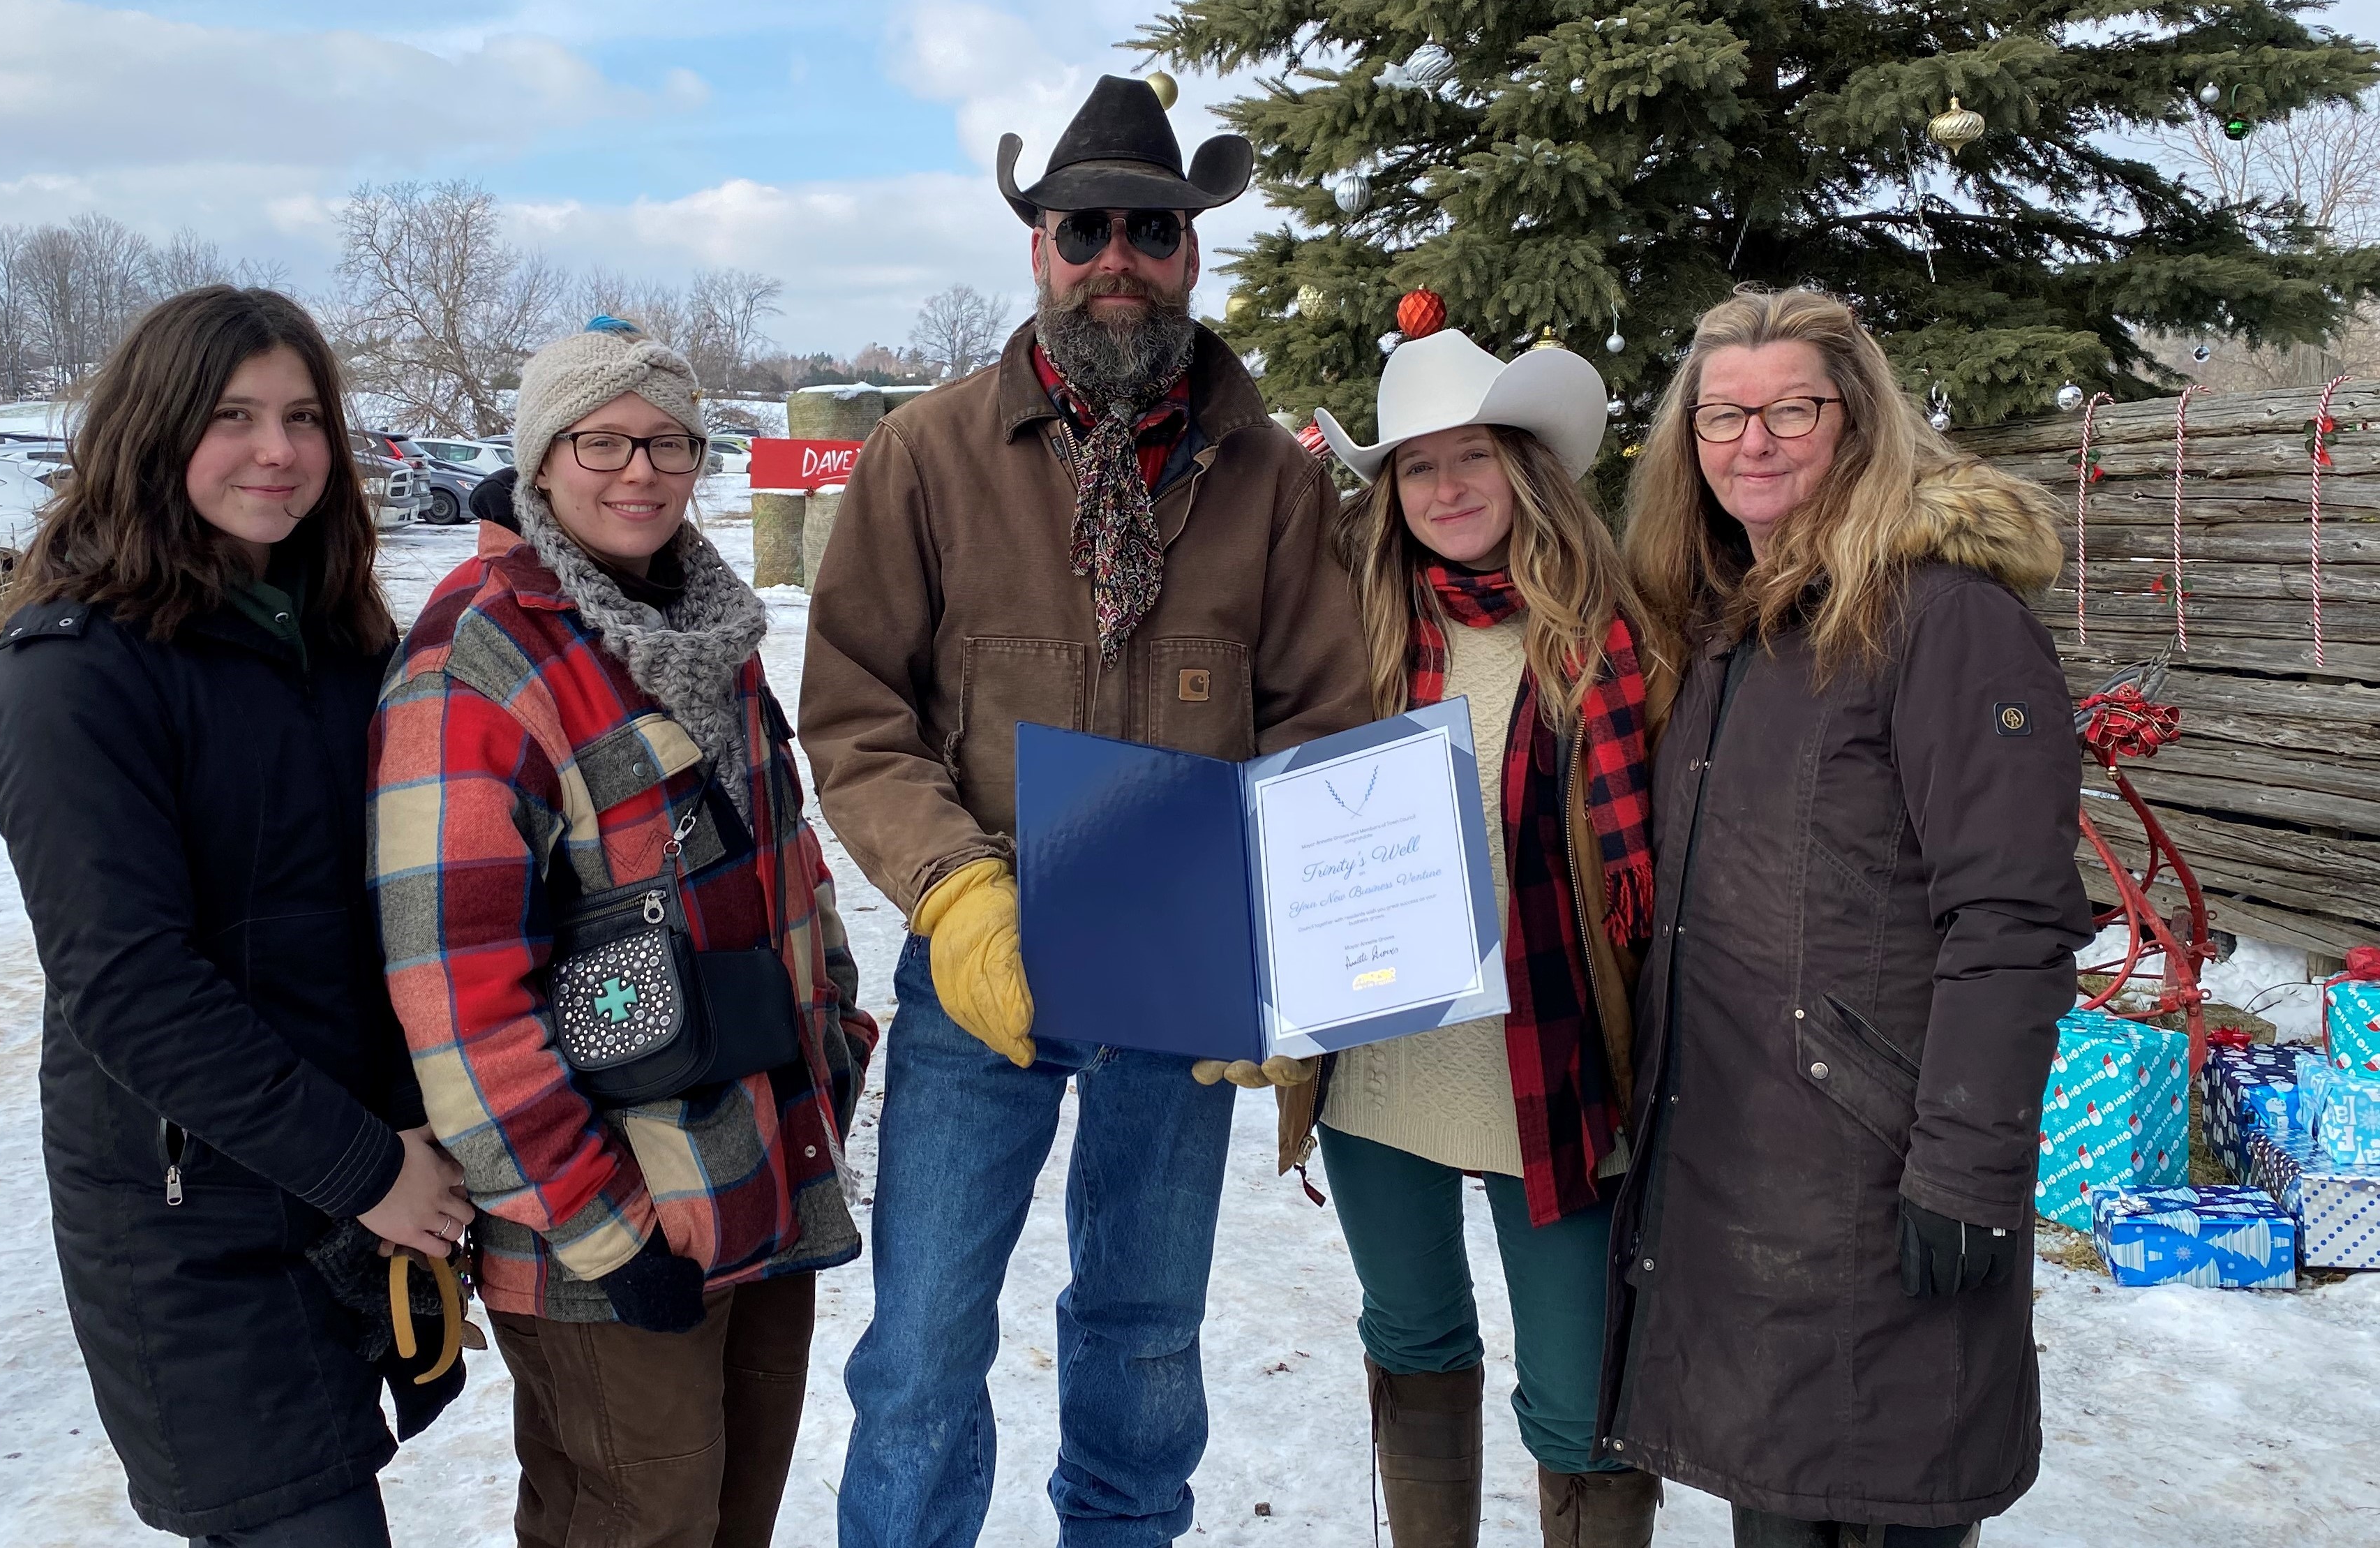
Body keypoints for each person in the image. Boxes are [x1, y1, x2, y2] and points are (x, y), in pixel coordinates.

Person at [802, 75, 1370, 1548]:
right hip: (982, 951)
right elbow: (860, 712)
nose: (1116, 255)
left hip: (1182, 966)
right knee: (922, 1343)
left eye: (1151, 228)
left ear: (1192, 252)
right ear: (1037, 247)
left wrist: (1276, 925)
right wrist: (956, 889)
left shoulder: (1272, 480)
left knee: (1143, 1332)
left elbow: (1323, 712)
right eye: (1083, 228)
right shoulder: (922, 456)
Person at [0, 285, 473, 1547]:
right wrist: (372, 1168)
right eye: (234, 414)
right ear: (153, 430)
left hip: (342, 1189)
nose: (279, 450)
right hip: (192, 1220)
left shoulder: (336, 642)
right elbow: (132, 988)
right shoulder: (71, 673)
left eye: (305, 417)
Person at [369, 317, 877, 1547]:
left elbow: (785, 859)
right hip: (612, 1225)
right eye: (603, 440)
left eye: (669, 441)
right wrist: (604, 1230)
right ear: (544, 455)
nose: (640, 470)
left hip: (761, 1174)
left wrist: (840, 1035)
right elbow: (458, 997)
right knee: (634, 1524)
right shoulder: (477, 667)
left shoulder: (703, 625)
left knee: (731, 1511)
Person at [1597, 287, 2090, 1548]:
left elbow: (2013, 916)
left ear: (1857, 422)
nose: (1751, 442)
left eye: (1790, 410)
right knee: (1782, 1507)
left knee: (1886, 1502)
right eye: (1721, 415)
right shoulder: (1718, 625)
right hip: (1753, 1182)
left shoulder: (1943, 619)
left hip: (1883, 1176)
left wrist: (1970, 1165)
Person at [1210, 326, 1678, 1548]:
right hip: (1381, 1074)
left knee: (1580, 1405)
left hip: (1562, 1076)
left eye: (1473, 456)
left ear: (1527, 470)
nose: (1448, 487)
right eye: (1418, 467)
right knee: (1413, 1341)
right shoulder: (1349, 638)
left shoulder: (1625, 646)